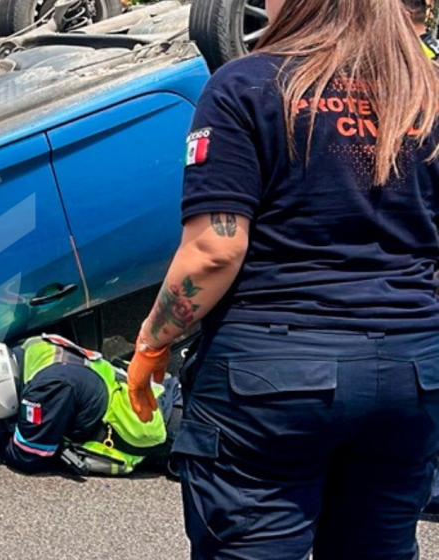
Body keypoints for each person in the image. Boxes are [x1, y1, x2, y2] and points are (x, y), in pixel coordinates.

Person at [124, 0, 439, 558]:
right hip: (411, 373)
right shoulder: (427, 93)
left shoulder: (248, 85)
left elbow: (214, 251)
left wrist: (152, 342)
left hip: (271, 374)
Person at [0, 336, 182, 477]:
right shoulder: (33, 349)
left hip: (177, 435)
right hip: (168, 399)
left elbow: (28, 456)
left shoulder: (46, 390)